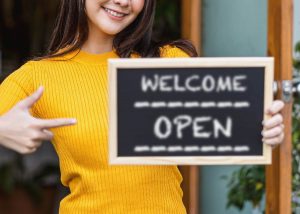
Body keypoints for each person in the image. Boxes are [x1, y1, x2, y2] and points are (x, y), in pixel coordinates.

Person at [0, 0, 285, 213]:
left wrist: (264, 128)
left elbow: (235, 120)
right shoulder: (38, 76)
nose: (124, 1)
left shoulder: (169, 62)